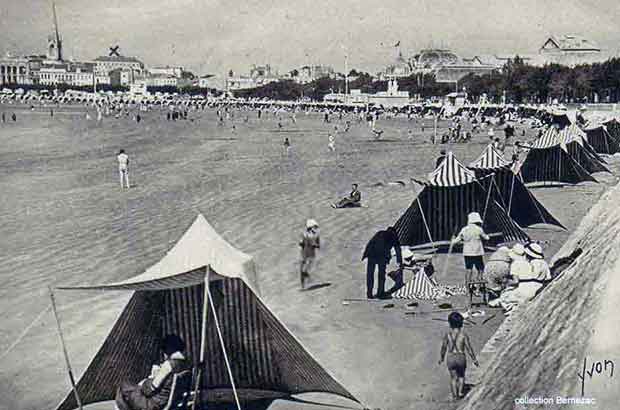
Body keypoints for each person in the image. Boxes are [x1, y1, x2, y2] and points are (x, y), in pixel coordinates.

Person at [115, 334, 190, 410]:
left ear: (168, 350)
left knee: (123, 388)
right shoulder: (186, 364)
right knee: (130, 389)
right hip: (171, 401)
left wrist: (147, 380)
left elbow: (149, 390)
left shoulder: (168, 365)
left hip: (154, 404)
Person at [438, 312, 479, 401]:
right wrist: (474, 359)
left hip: (451, 357)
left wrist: (441, 358)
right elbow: (469, 349)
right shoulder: (463, 335)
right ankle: (460, 392)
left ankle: (454, 395)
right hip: (460, 357)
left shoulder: (447, 335)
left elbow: (444, 347)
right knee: (461, 376)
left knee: (453, 378)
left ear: (449, 323)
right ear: (461, 323)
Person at [362, 226, 403, 299]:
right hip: (381, 256)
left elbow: (370, 243)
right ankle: (380, 293)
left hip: (371, 254)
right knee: (381, 275)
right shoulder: (394, 237)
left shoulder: (380, 233)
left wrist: (365, 254)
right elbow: (398, 249)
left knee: (370, 274)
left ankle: (369, 294)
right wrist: (399, 261)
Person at [452, 212, 489, 285]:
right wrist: (487, 236)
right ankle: (479, 284)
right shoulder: (479, 229)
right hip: (477, 253)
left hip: (467, 253)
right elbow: (486, 237)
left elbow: (456, 241)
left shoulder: (464, 229)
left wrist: (453, 240)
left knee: (468, 269)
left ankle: (467, 287)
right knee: (480, 269)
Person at [299, 219, 320, 289]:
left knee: (307, 264)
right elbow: (301, 243)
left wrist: (315, 245)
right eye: (314, 227)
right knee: (304, 266)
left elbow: (318, 244)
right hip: (306, 251)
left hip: (308, 251)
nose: (315, 228)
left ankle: (305, 276)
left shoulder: (309, 234)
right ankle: (303, 282)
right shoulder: (306, 234)